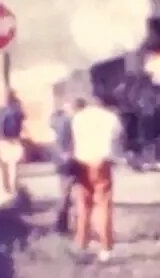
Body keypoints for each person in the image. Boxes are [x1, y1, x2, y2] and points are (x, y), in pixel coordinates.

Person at [69, 95, 124, 262]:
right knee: (103, 205)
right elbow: (118, 136)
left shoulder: (78, 118)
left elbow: (73, 138)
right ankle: (105, 247)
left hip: (81, 163)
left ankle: (81, 243)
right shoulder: (111, 118)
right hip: (101, 162)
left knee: (83, 205)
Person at [0, 90, 27, 195]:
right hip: (14, 140)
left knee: (3, 165)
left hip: (2, 140)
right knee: (13, 166)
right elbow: (23, 119)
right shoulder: (17, 110)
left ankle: (4, 187)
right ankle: (12, 187)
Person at [50, 101, 77, 234]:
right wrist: (66, 154)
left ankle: (63, 225)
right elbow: (64, 141)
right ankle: (61, 225)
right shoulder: (67, 121)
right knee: (67, 195)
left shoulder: (57, 121)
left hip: (62, 161)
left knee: (66, 194)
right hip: (68, 160)